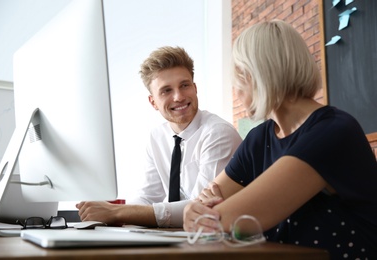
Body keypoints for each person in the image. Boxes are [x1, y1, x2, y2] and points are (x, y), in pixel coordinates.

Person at [183, 20, 377, 259]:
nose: (236, 89)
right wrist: (197, 209)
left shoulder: (333, 132)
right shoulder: (259, 137)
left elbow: (227, 219)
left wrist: (203, 212)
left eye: (238, 77)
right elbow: (206, 203)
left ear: (254, 75)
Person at [76, 46, 242, 227]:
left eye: (184, 85)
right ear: (153, 101)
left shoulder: (218, 133)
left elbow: (199, 209)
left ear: (195, 88)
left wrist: (117, 212)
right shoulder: (157, 137)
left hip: (217, 240)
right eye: (166, 90)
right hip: (183, 239)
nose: (178, 96)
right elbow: (147, 196)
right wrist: (110, 216)